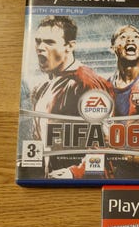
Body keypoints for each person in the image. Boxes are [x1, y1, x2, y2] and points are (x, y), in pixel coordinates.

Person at [31, 15, 113, 178]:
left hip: (86, 182)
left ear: (70, 46)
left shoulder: (86, 82)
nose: (40, 47)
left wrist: (75, 173)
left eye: (49, 42)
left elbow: (104, 142)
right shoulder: (41, 88)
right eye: (38, 41)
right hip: (52, 179)